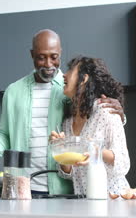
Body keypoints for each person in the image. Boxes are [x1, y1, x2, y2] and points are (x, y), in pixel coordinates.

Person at [0, 29, 126, 195]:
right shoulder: (13, 91)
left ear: (60, 54)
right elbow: (4, 132)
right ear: (32, 55)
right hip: (22, 184)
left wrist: (119, 114)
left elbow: (93, 113)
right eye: (41, 57)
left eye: (54, 57)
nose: (48, 64)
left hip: (64, 188)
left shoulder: (69, 89)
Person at [50, 55, 130, 196]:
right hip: (86, 203)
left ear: (84, 79)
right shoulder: (68, 123)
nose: (64, 75)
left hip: (114, 201)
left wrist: (92, 148)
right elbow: (69, 174)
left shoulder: (106, 111)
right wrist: (61, 149)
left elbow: (123, 164)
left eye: (70, 70)